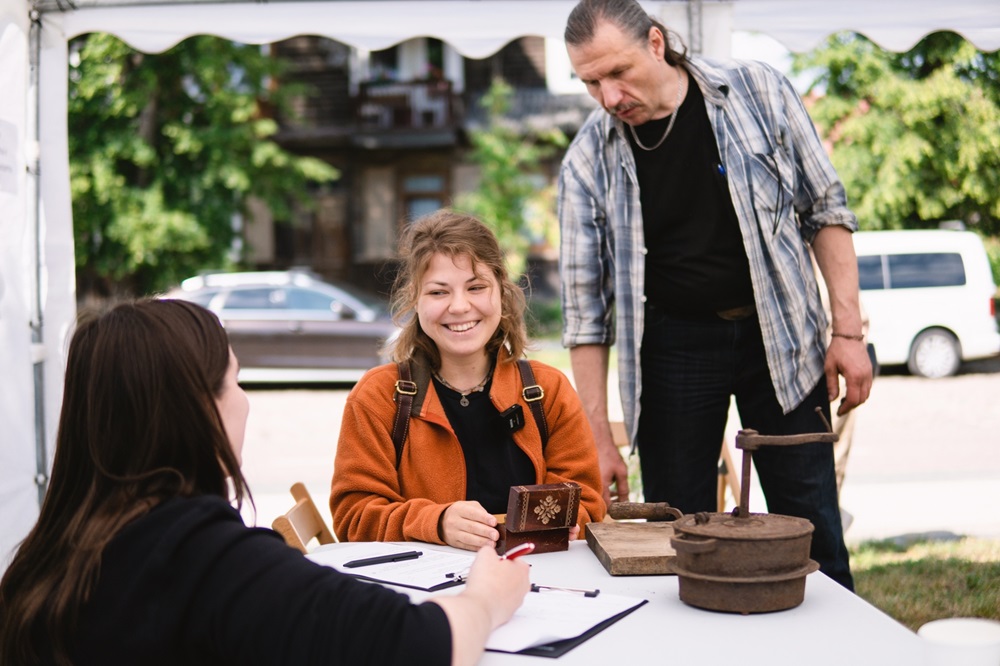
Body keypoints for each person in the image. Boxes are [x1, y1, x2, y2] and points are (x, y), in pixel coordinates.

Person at [0, 299, 529, 666]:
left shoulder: (42, 561)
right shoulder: (204, 558)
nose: (245, 400)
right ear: (194, 411)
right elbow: (416, 646)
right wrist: (485, 598)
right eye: (234, 380)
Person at [558, 0, 872, 590]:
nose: (608, 95)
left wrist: (848, 333)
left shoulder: (758, 91)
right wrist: (598, 436)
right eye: (590, 82)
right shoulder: (585, 161)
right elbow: (585, 316)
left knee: (811, 527)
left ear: (656, 43)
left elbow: (826, 209)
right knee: (682, 535)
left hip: (780, 331)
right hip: (672, 346)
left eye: (617, 72)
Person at [330, 210, 606, 551]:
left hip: (538, 582)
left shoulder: (548, 391)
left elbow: (588, 501)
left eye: (476, 287)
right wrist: (437, 522)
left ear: (501, 294)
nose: (460, 306)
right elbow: (352, 516)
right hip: (427, 594)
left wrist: (566, 521)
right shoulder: (378, 397)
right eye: (438, 292)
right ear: (414, 299)